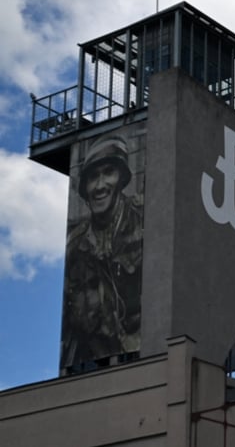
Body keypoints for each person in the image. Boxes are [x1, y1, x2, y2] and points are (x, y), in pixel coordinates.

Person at [61, 136, 143, 372]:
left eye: (108, 172)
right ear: (84, 188)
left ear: (121, 179)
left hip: (147, 360)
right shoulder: (75, 245)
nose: (100, 185)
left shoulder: (145, 222)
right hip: (95, 367)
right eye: (92, 177)